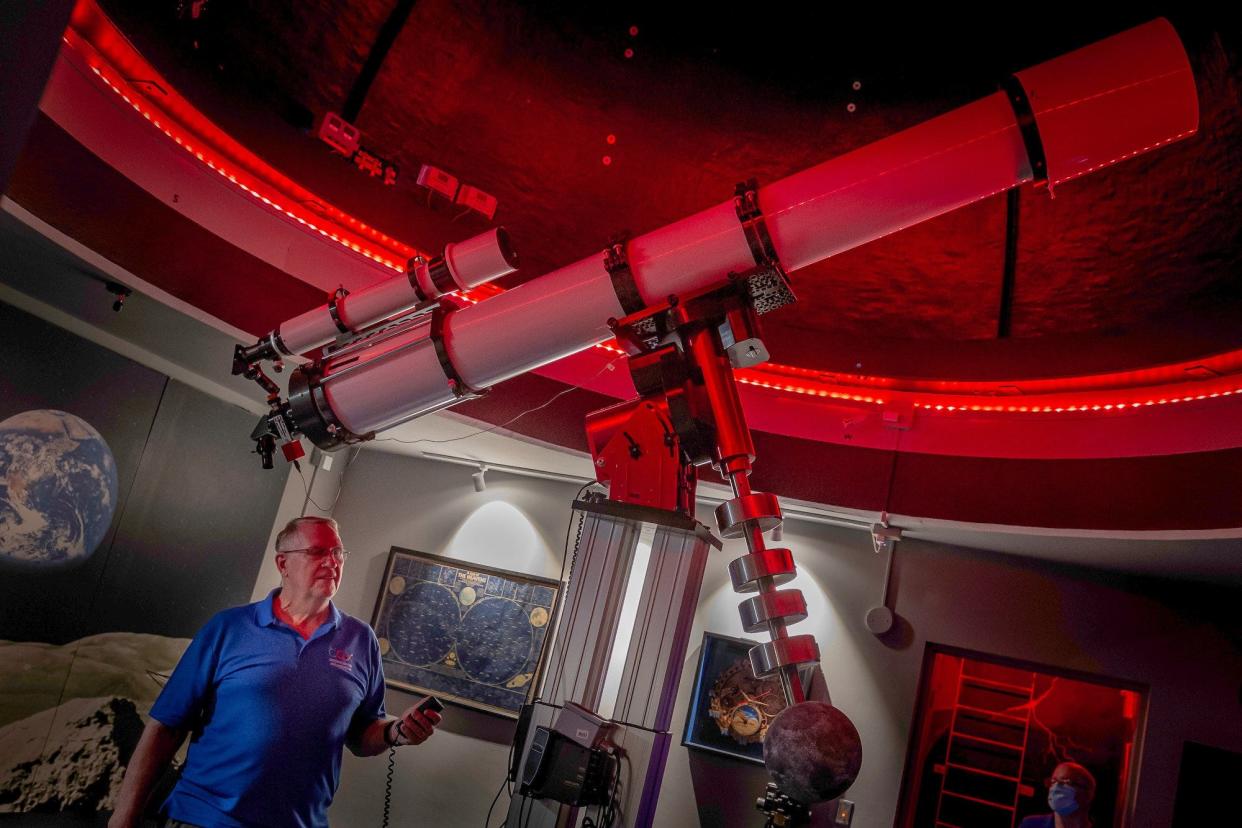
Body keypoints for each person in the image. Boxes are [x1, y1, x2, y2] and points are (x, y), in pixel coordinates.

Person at [108, 516, 441, 828]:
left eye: (338, 552)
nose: (332, 561)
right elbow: (166, 726)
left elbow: (363, 733)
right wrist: (123, 818)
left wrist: (397, 730)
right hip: (204, 819)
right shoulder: (229, 628)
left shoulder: (360, 640)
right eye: (317, 552)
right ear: (283, 563)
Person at [1018, 761, 1096, 828]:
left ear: (1088, 794)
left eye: (1067, 783)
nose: (1056, 788)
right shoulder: (1031, 825)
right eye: (1053, 782)